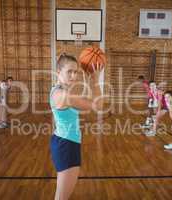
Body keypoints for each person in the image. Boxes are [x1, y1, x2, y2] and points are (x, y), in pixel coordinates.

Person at [50, 53, 103, 200]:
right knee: (62, 197)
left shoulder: (59, 89)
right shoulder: (63, 95)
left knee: (61, 195)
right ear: (58, 72)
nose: (74, 76)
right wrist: (96, 81)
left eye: (76, 72)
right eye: (69, 72)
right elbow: (97, 105)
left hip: (64, 141)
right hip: (66, 145)